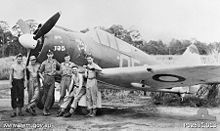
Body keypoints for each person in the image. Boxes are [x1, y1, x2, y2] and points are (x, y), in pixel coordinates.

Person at [39, 50, 60, 116]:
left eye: (51, 54)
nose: (50, 55)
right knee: (45, 95)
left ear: (52, 55)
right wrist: (43, 79)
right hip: (46, 78)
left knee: (50, 95)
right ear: (47, 55)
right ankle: (46, 109)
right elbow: (39, 72)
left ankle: (45, 109)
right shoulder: (44, 63)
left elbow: (61, 67)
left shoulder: (55, 61)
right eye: (48, 54)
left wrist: (57, 72)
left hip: (52, 78)